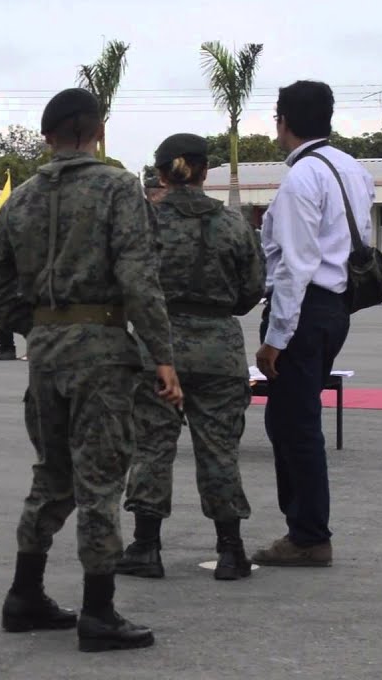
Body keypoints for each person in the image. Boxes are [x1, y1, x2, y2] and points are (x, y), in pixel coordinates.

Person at [0, 88, 180, 652]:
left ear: (47, 137)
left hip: (46, 354)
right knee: (101, 479)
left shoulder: (22, 199)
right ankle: (99, 611)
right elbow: (139, 277)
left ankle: (25, 595)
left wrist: (36, 325)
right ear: (98, 131)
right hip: (102, 353)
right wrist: (162, 355)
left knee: (52, 474)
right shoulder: (118, 187)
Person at [116, 134, 265, 582]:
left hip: (157, 349)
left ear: (161, 174)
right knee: (220, 450)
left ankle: (146, 547)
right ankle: (230, 550)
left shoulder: (146, 223)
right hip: (219, 350)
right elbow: (251, 290)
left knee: (152, 447)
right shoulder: (234, 223)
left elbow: (127, 283)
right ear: (205, 171)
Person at [252, 80, 374, 568]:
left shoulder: (302, 177)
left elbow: (295, 265)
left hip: (303, 311)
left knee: (294, 424)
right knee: (293, 420)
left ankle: (308, 536)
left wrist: (275, 338)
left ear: (283, 121)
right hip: (335, 308)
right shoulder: (352, 168)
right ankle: (305, 529)